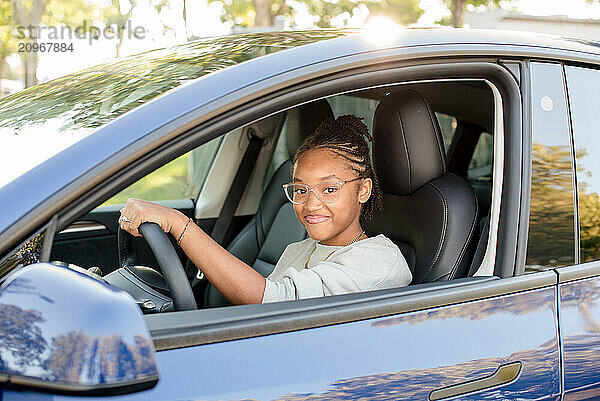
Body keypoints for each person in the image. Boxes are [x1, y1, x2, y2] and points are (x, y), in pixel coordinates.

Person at [119, 114, 412, 305]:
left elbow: (271, 300)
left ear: (363, 190)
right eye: (300, 190)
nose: (311, 204)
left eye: (329, 189)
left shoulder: (380, 262)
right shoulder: (299, 249)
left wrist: (179, 225)